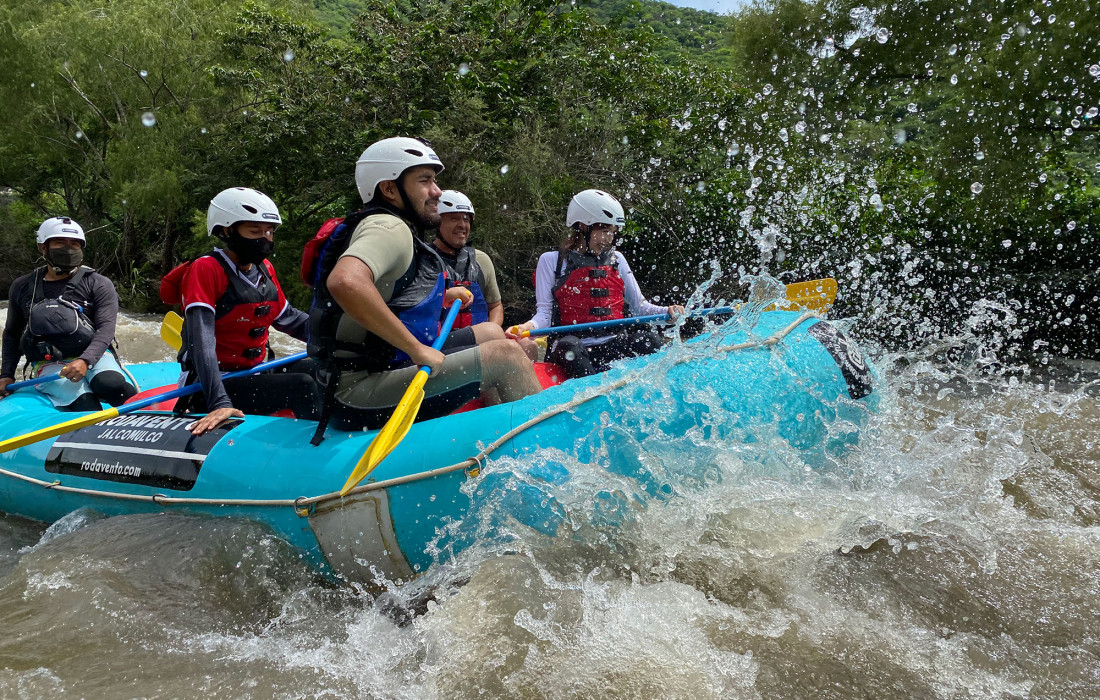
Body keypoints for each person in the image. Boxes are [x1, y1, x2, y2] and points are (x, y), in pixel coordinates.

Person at [306, 136, 541, 437]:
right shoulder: (389, 227)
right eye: (425, 180)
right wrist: (416, 349)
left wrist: (443, 295)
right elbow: (345, 281)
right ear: (389, 189)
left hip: (372, 370)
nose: (437, 191)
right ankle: (544, 447)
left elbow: (392, 295)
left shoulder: (384, 225)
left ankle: (498, 427)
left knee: (490, 332)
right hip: (358, 391)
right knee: (506, 356)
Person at [159, 188, 320, 435]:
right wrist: (219, 402)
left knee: (318, 369)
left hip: (253, 372)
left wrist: (344, 337)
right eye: (254, 232)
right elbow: (202, 343)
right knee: (301, 385)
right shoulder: (206, 269)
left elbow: (290, 320)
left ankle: (352, 432)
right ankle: (318, 447)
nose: (265, 239)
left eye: (269, 232)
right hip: (209, 384)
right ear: (227, 231)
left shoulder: (264, 269)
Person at [511, 189, 685, 378]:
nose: (609, 239)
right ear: (583, 226)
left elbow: (640, 308)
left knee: (650, 339)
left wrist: (668, 312)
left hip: (611, 345)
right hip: (572, 349)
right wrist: (526, 327)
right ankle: (592, 389)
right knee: (570, 346)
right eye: (604, 231)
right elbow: (544, 314)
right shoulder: (552, 261)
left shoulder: (617, 259)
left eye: (612, 232)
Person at [0, 217, 138, 410]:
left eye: (74, 244)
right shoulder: (22, 286)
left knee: (111, 385)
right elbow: (12, 334)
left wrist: (85, 360)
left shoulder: (98, 283)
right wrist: (6, 374)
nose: (69, 249)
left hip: (94, 355)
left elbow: (106, 329)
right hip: (48, 363)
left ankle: (140, 413)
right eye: (60, 243)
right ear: (43, 247)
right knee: (85, 403)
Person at [432, 190, 538, 361]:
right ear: (437, 222)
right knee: (492, 336)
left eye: (466, 219)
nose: (462, 225)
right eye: (454, 218)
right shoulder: (424, 260)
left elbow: (495, 306)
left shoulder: (481, 260)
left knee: (528, 345)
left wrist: (493, 332)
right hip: (439, 343)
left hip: (480, 341)